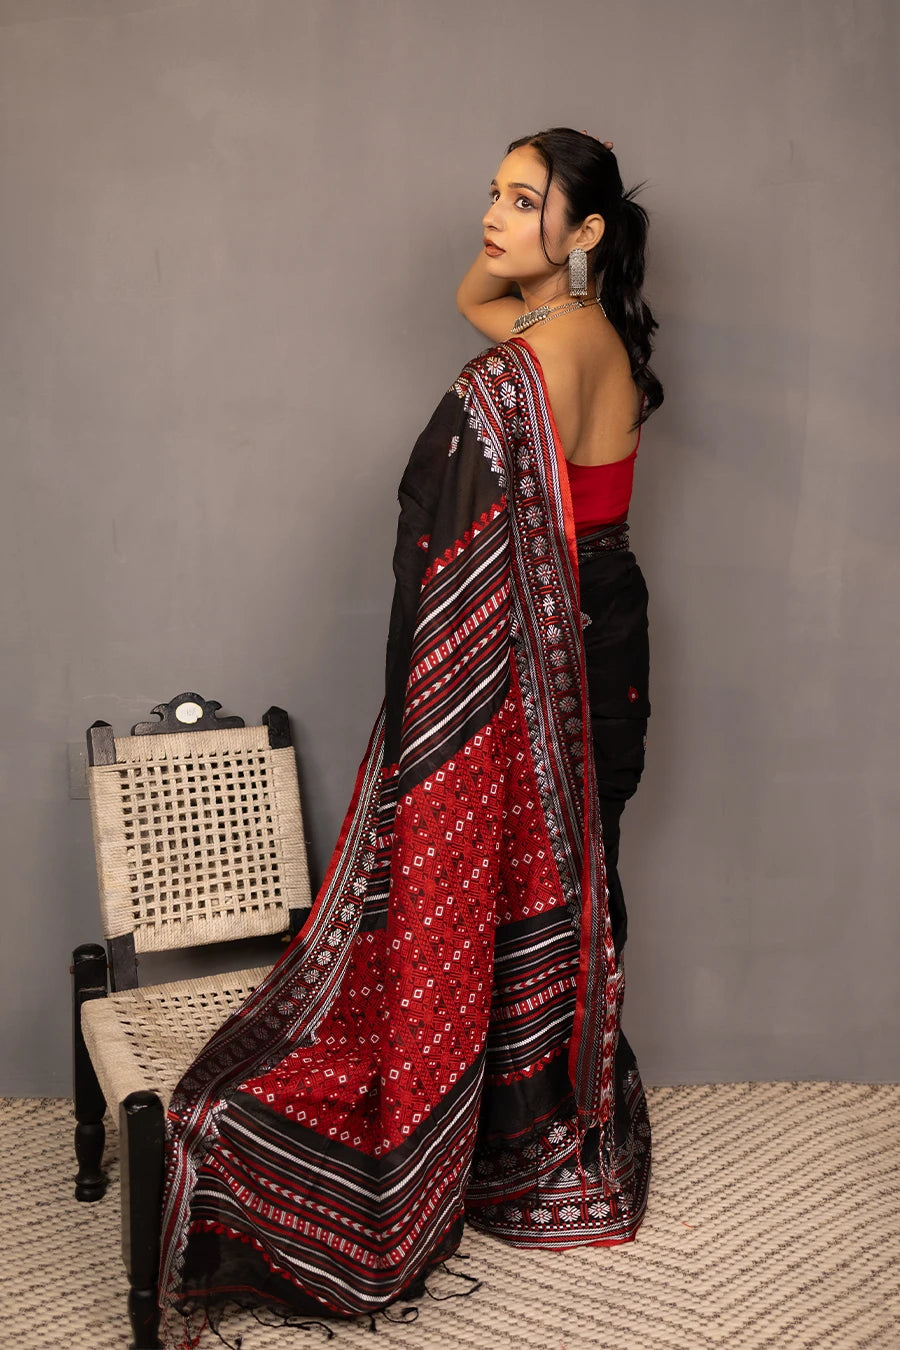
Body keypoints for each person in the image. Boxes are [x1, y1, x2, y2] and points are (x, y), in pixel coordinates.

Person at [157, 128, 663, 1349]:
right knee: (572, 878)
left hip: (562, 649)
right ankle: (544, 1124)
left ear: (585, 231)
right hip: (606, 624)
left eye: (524, 199)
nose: (491, 217)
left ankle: (515, 1142)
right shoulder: (571, 339)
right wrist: (548, 253)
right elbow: (477, 292)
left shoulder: (530, 367)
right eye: (490, 192)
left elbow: (479, 376)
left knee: (539, 876)